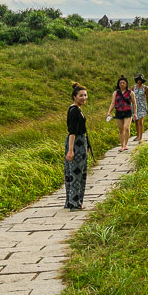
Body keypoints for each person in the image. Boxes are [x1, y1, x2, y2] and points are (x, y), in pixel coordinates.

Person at [65, 81, 88, 211]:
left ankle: (71, 200)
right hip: (76, 143)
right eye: (81, 95)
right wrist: (70, 150)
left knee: (73, 172)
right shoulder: (74, 110)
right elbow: (72, 131)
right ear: (74, 96)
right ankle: (75, 202)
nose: (84, 98)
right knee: (76, 173)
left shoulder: (76, 109)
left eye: (85, 95)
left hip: (80, 142)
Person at [106, 75, 135, 151]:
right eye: (120, 83)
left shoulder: (131, 93)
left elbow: (134, 103)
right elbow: (112, 103)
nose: (122, 84)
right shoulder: (116, 93)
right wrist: (109, 112)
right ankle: (122, 145)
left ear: (126, 84)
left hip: (128, 112)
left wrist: (135, 113)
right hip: (119, 111)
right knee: (121, 129)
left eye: (123, 83)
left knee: (126, 127)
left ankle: (125, 144)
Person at [131, 73, 148, 143]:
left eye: (140, 80)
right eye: (138, 80)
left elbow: (147, 98)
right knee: (136, 121)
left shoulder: (146, 88)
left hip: (142, 106)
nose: (139, 81)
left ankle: (141, 137)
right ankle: (138, 135)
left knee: (140, 121)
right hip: (134, 106)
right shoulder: (133, 88)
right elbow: (130, 97)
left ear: (142, 80)